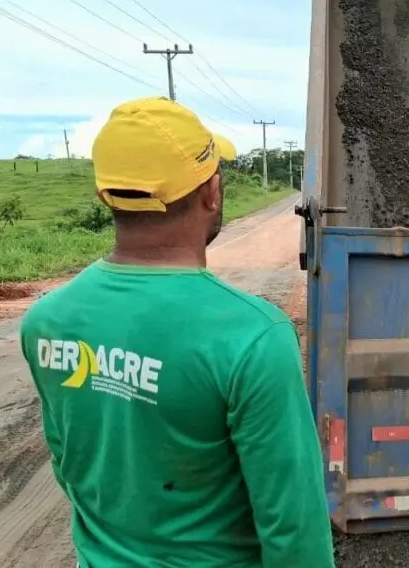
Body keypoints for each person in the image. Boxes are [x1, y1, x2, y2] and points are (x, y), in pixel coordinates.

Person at [19, 96, 334, 567]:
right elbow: (293, 527)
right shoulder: (252, 336)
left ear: (108, 195)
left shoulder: (45, 320)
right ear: (211, 191)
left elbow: (69, 466)